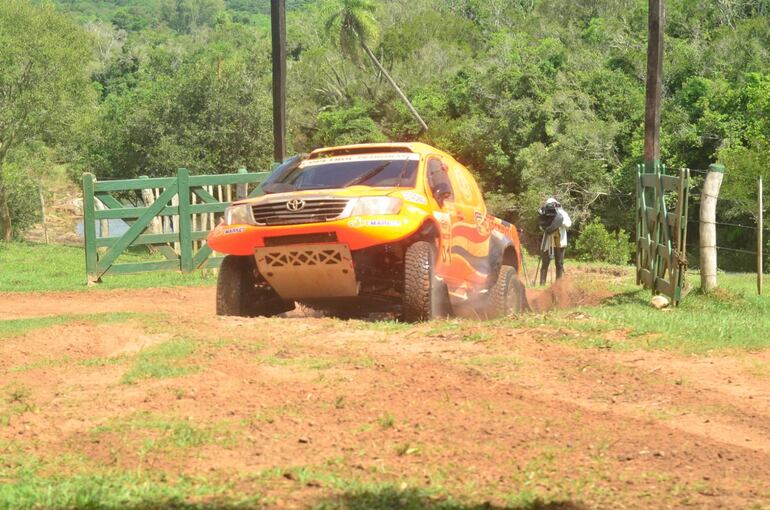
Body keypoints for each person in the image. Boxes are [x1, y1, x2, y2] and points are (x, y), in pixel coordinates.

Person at [538, 197, 571, 285]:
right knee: (545, 263)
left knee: (559, 263)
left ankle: (558, 284)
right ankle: (542, 283)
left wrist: (559, 221)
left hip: (560, 242)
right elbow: (541, 226)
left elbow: (569, 224)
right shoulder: (544, 213)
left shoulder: (563, 213)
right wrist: (547, 226)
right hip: (548, 242)